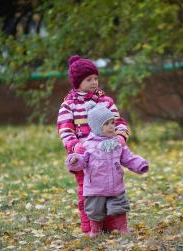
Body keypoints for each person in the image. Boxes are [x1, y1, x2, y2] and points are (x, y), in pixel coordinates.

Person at [57, 55, 129, 234]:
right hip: (84, 157)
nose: (94, 82)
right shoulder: (68, 105)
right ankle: (90, 226)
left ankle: (111, 225)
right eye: (88, 79)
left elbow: (119, 122)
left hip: (107, 153)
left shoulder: (105, 101)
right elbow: (65, 129)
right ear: (77, 82)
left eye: (96, 78)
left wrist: (120, 136)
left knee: (111, 188)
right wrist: (74, 147)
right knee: (87, 192)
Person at [65, 101, 149, 238]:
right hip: (95, 188)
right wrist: (74, 160)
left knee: (119, 207)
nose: (111, 127)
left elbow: (128, 157)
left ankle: (123, 229)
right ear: (96, 126)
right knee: (94, 211)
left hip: (115, 185)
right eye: (106, 124)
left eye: (112, 123)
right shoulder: (87, 145)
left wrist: (140, 164)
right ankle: (95, 231)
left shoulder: (117, 143)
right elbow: (82, 162)